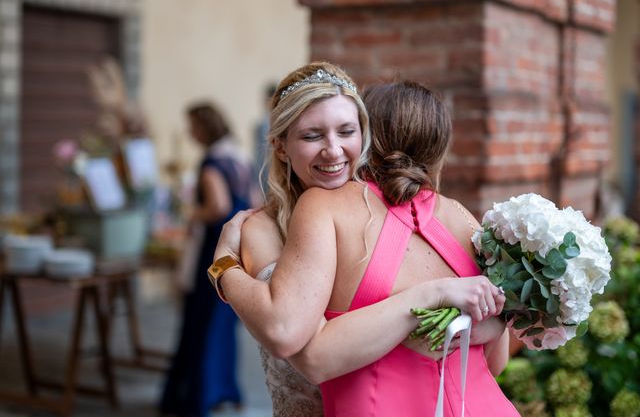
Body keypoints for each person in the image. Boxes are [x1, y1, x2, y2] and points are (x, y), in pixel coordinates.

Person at [209, 63, 512, 415]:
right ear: (280, 146)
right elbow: (288, 332)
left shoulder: (351, 212)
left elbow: (310, 350)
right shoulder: (264, 227)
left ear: (366, 137)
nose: (334, 151)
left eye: (347, 131)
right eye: (312, 135)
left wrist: (222, 266)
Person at [160, 102, 252, 417]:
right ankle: (223, 389)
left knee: (200, 323)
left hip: (211, 253)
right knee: (222, 322)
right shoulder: (238, 156)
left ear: (205, 127)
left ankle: (195, 397)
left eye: (193, 126)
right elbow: (254, 200)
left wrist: (189, 213)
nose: (189, 133)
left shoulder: (212, 162)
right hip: (235, 251)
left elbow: (218, 206)